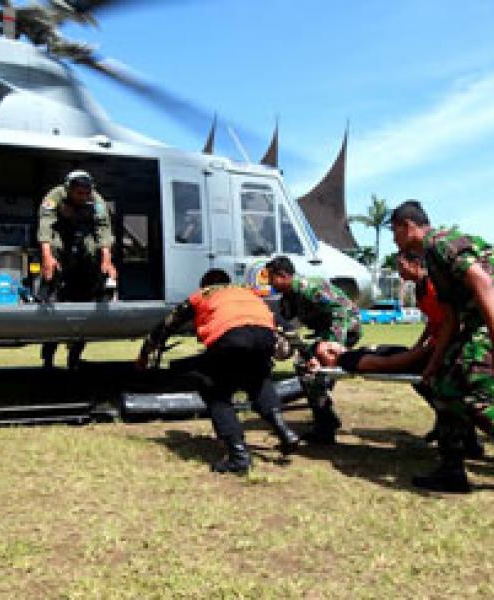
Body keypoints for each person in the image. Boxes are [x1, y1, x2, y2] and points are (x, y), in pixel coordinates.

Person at [390, 200, 494, 493]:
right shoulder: (433, 259)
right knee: (442, 385)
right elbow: (449, 316)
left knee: (470, 388)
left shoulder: (441, 243)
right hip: (477, 322)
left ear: (409, 227)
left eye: (394, 232)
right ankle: (452, 471)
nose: (394, 240)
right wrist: (436, 361)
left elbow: (484, 285)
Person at [136, 269, 300, 474]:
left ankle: (238, 456)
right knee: (258, 381)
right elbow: (283, 324)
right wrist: (304, 352)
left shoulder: (202, 295)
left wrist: (145, 354)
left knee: (216, 392)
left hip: (230, 337)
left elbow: (166, 325)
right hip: (264, 336)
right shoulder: (246, 292)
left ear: (204, 284)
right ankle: (284, 431)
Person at [265, 256, 362, 444]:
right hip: (325, 331)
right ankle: (325, 417)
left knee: (307, 367)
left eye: (271, 278)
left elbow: (340, 311)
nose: (270, 283)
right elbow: (288, 322)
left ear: (283, 275)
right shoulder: (289, 296)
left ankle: (325, 423)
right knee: (307, 364)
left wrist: (334, 347)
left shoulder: (309, 287)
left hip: (345, 329)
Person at [37, 170, 117, 369]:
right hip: (60, 247)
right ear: (68, 189)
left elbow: (104, 230)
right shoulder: (55, 196)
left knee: (95, 252)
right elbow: (45, 227)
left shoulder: (96, 200)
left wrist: (106, 261)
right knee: (53, 314)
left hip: (83, 253)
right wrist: (47, 258)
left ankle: (74, 357)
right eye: (78, 193)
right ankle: (48, 359)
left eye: (85, 194)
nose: (82, 197)